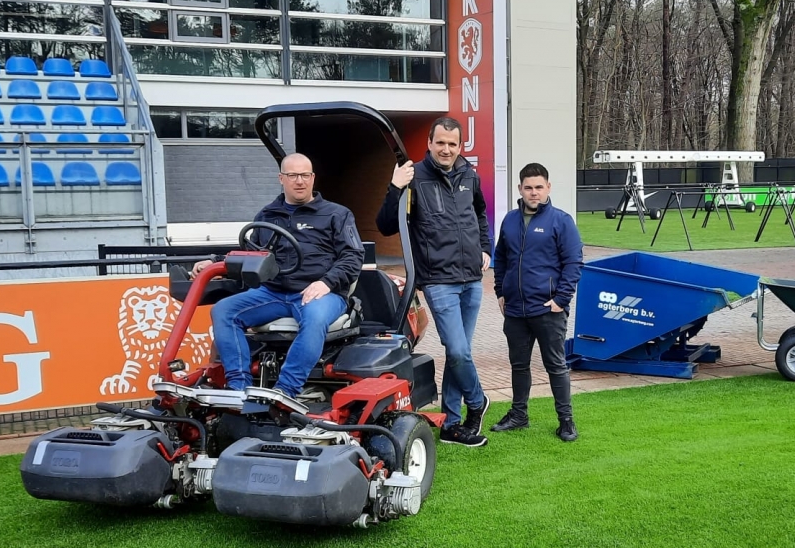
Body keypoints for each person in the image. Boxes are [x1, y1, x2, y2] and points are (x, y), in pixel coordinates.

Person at [194, 153, 363, 399]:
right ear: (281, 178)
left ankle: (285, 391)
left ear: (313, 178)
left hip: (319, 292)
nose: (300, 181)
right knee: (223, 310)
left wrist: (326, 282)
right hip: (273, 293)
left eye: (305, 175)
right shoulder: (268, 215)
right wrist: (215, 263)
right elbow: (250, 252)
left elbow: (352, 257)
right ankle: (238, 388)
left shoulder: (336, 214)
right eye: (292, 175)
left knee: (314, 318)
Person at [377, 117, 493, 447]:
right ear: (429, 143)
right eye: (440, 142)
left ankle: (453, 425)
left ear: (460, 146)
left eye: (452, 144)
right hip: (439, 280)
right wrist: (395, 185)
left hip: (471, 278)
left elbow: (480, 213)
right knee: (456, 349)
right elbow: (385, 225)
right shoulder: (414, 177)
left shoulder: (469, 174)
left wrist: (485, 248)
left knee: (461, 354)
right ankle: (478, 400)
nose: (446, 149)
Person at [491, 163, 584, 441]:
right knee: (518, 365)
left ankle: (566, 421)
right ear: (520, 189)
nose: (534, 193)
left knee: (555, 365)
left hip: (547, 309)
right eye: (528, 187)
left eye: (539, 187)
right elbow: (502, 259)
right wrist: (500, 291)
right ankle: (519, 415)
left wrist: (561, 299)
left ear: (548, 188)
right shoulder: (509, 220)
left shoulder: (561, 220)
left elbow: (574, 262)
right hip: (516, 309)